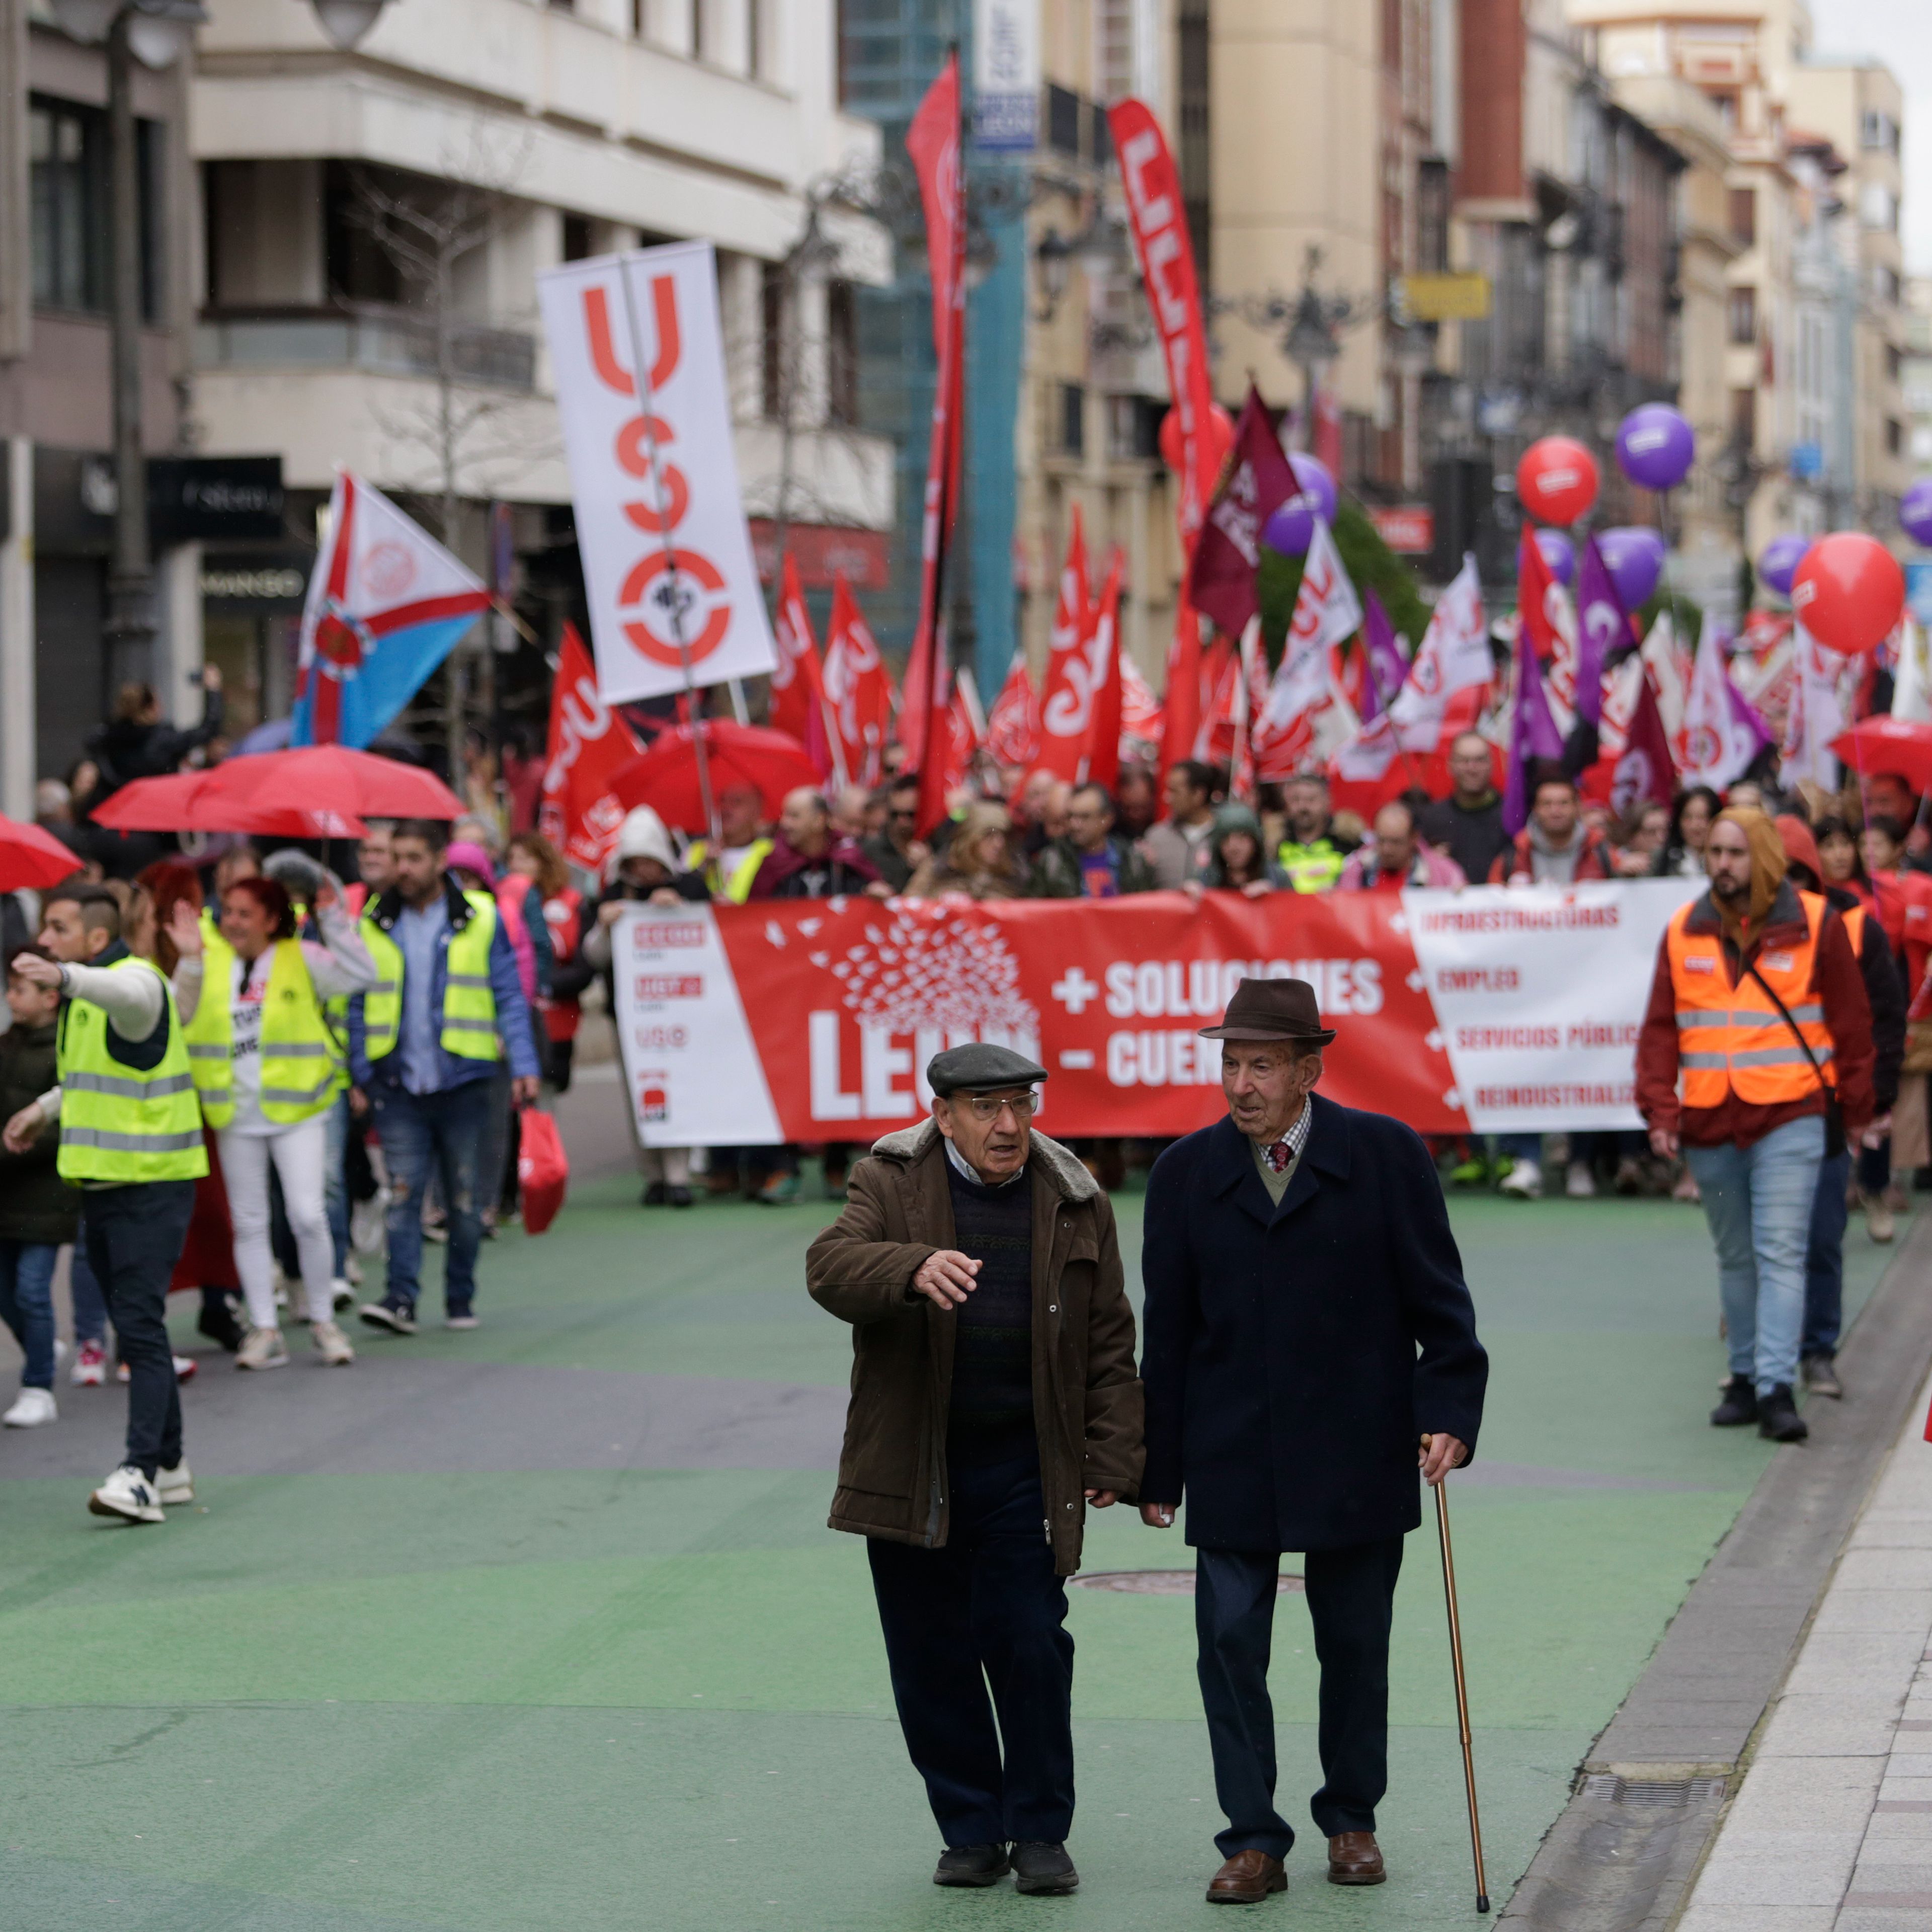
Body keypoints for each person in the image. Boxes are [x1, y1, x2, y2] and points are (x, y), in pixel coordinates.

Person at [1139, 978, 1487, 1902]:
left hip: (1358, 1446)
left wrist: (1448, 1408)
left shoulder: (1386, 1155)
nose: (1240, 1084)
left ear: (1308, 1070)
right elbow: (1165, 1336)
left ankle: (1352, 1820)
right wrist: (1157, 1468)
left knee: (1356, 1644)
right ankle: (1252, 1837)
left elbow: (1440, 1307)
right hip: (1230, 1451)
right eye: (1230, 1064)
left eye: (1261, 1065)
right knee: (1227, 1643)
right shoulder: (1182, 1175)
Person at [804, 1043, 1143, 1897]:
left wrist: (1114, 1454)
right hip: (914, 1461)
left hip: (1028, 1463)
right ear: (944, 1114)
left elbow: (1108, 1336)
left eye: (1021, 1106)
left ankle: (1039, 1831)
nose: (1010, 1126)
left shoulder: (1074, 1194)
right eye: (988, 1109)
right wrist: (910, 1267)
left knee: (1031, 1643)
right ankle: (969, 1830)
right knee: (930, 1655)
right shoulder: (888, 1180)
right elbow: (829, 1268)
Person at [1636, 809, 1875, 1442]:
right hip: (1711, 1120)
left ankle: (1775, 1388)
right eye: (1714, 851)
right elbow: (1661, 1028)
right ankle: (1742, 1378)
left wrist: (1856, 1114)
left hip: (1790, 1114)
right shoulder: (1684, 929)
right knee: (1736, 1257)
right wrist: (1661, 1108)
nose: (1722, 863)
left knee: (1780, 1253)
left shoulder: (1817, 924)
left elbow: (1852, 1026)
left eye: (1736, 852)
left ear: (1765, 855)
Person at [4, 884, 207, 1524]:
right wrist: (42, 1109)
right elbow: (96, 1076)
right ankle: (170, 1465)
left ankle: (140, 1473)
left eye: (59, 928)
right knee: (135, 1323)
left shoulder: (133, 981)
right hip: (106, 1184)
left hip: (151, 1184)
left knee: (140, 1328)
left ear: (95, 939)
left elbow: (132, 997)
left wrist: (63, 976)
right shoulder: (83, 1002)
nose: (46, 939)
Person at [347, 820, 541, 1335]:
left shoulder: (480, 917)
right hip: (399, 1083)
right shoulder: (373, 920)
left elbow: (507, 995)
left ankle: (460, 1295)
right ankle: (400, 1298)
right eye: (397, 858)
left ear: (440, 860)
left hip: (466, 1080)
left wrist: (523, 1064)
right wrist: (362, 1070)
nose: (403, 869)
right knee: (404, 1194)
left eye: (413, 858)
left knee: (464, 1200)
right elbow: (357, 1000)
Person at [180, 870, 374, 1370]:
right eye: (229, 912)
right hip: (233, 1112)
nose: (234, 923)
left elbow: (361, 974)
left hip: (298, 1110)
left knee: (308, 1216)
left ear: (272, 918)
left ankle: (322, 1320)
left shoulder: (302, 958)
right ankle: (265, 1330)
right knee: (248, 1223)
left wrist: (332, 916)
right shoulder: (211, 958)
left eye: (247, 914)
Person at [1776, 816, 1904, 1396]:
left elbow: (1883, 1018)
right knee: (1762, 1246)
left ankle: (1817, 1350)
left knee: (1823, 1235)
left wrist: (1874, 1099)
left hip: (1824, 1111)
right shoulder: (1723, 928)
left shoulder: (1854, 926)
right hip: (1750, 1115)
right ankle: (1757, 1359)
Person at [583, 808, 710, 1206]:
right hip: (631, 1020)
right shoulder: (612, 896)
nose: (643, 869)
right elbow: (595, 958)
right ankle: (653, 1174)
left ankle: (678, 1173)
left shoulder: (690, 888)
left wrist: (683, 911)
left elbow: (716, 942)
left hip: (683, 1017)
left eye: (648, 860)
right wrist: (605, 925)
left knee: (681, 1091)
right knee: (641, 1097)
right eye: (635, 861)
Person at [0, 949, 79, 1427]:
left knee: (32, 1289)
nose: (11, 998)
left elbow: (61, 1123)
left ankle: (39, 1385)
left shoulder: (67, 1048)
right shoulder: (5, 1046)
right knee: (6, 1291)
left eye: (19, 989)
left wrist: (20, 1141)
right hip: (6, 1190)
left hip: (47, 1193)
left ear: (51, 997)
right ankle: (40, 1342)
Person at [507, 832, 589, 1092]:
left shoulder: (572, 903)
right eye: (511, 859)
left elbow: (584, 968)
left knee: (544, 1101)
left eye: (525, 858)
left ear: (544, 862)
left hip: (556, 1018)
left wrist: (539, 984)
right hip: (515, 1017)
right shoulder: (501, 903)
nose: (516, 865)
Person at [88, 663, 224, 792]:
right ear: (150, 708)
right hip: (156, 806)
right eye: (158, 703)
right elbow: (208, 730)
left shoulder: (107, 739)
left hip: (119, 808)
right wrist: (213, 690)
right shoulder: (162, 740)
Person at [749, 788, 886, 901]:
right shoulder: (775, 862)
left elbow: (869, 901)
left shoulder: (848, 859)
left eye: (794, 816)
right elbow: (756, 912)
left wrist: (876, 894)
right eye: (784, 815)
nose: (785, 823)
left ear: (819, 821)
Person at [1028, 785, 1155, 898]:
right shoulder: (1053, 860)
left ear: (1106, 819)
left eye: (1085, 817)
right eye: (1071, 816)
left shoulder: (1131, 858)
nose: (1075, 825)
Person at [1418, 733, 1511, 886]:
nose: (1471, 768)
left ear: (1492, 764)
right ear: (1450, 765)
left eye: (1479, 760)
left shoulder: (1512, 816)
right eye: (1464, 761)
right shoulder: (1432, 818)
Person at [1491, 771, 1613, 883]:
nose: (1555, 812)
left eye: (1563, 803)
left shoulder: (1602, 853)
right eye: (1547, 804)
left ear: (1578, 807)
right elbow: (1492, 899)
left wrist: (1627, 871)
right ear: (1535, 809)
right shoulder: (1513, 858)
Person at [905, 802, 1026, 900]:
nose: (999, 844)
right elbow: (909, 909)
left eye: (1003, 836)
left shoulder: (1014, 878)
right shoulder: (935, 871)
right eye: (989, 835)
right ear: (970, 837)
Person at [1339, 800, 1468, 891]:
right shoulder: (1356, 870)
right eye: (1381, 840)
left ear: (1414, 838)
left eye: (1396, 842)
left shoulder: (1444, 874)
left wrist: (1460, 898)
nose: (1387, 849)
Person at [1140, 761, 1221, 889]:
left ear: (1198, 795)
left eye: (1174, 791)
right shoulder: (1156, 837)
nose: (1166, 798)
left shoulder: (1224, 838)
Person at [688, 783, 773, 903]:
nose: (726, 808)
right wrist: (702, 867)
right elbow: (681, 894)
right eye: (722, 801)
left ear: (757, 811)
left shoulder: (770, 852)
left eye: (737, 802)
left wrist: (736, 912)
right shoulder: (696, 850)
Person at [1276, 773, 1358, 893]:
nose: (1303, 807)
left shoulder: (1348, 844)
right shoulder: (1272, 847)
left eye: (1311, 800)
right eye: (1296, 800)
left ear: (1327, 801)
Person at [1193, 802, 1289, 898]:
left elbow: (1293, 909)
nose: (1233, 847)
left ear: (1255, 842)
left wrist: (1273, 897)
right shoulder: (1205, 879)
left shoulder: (1277, 877)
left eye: (1242, 838)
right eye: (1226, 839)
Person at [862, 774, 929, 894]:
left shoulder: (938, 847)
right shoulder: (871, 850)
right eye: (895, 814)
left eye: (910, 815)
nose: (901, 822)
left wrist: (928, 865)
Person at [1654, 785, 1719, 878]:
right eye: (1688, 817)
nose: (1695, 826)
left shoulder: (1726, 859)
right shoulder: (1662, 858)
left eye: (1702, 817)